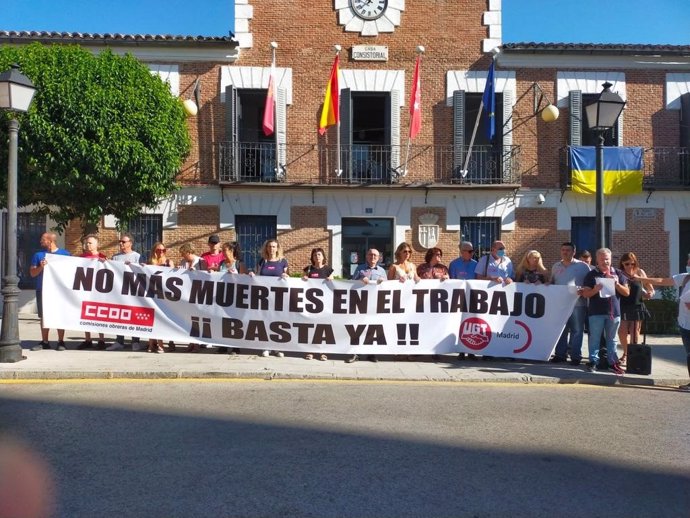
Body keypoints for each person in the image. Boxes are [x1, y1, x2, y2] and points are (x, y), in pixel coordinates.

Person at [635, 253, 690, 390]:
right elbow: (662, 281)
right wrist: (641, 278)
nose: (688, 263)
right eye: (688, 260)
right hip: (684, 324)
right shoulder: (685, 278)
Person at [580, 248, 630, 375]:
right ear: (597, 260)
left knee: (612, 339)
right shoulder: (591, 275)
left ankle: (612, 363)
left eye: (607, 259)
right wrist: (595, 289)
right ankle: (593, 362)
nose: (605, 261)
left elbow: (627, 293)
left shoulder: (618, 273)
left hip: (614, 313)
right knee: (594, 338)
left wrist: (617, 284)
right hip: (596, 312)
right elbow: (585, 294)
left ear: (611, 259)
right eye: (602, 259)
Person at [550, 242, 591, 365]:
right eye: (563, 250)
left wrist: (584, 289)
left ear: (574, 252)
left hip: (578, 304)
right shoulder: (555, 266)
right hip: (560, 305)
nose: (565, 252)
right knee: (561, 329)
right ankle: (560, 355)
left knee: (577, 330)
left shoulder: (583, 266)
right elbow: (552, 282)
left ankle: (575, 356)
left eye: (568, 250)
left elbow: (589, 283)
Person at [29, 232, 71, 351]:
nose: (40, 241)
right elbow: (32, 273)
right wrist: (41, 267)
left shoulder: (65, 254)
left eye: (43, 239)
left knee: (59, 315)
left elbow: (71, 272)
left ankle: (61, 341)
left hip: (59, 291)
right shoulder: (38, 255)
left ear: (50, 241)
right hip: (42, 290)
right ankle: (45, 342)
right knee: (44, 317)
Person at [348, 248, 387, 363]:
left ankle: (372, 354)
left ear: (379, 257)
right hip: (360, 303)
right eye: (370, 255)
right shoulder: (359, 268)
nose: (373, 257)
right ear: (366, 256)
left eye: (375, 255)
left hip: (375, 305)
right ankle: (355, 353)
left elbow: (388, 286)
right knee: (358, 328)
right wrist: (360, 278)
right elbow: (351, 281)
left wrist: (383, 280)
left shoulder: (382, 271)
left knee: (372, 328)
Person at [252, 239, 288, 358]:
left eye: (274, 247)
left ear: (277, 248)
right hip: (264, 298)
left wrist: (285, 276)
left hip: (278, 297)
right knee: (265, 321)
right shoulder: (262, 261)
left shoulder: (283, 262)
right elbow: (257, 275)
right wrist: (252, 275)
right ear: (266, 248)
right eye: (269, 247)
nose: (272, 249)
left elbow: (288, 277)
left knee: (278, 323)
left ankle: (278, 348)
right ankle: (265, 346)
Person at [617, 252, 654, 365]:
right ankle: (626, 353)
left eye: (632, 264)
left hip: (637, 305)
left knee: (635, 333)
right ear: (622, 263)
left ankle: (632, 356)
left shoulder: (640, 272)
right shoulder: (619, 273)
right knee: (622, 332)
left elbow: (650, 287)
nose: (629, 266)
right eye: (627, 264)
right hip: (623, 305)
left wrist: (650, 293)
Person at [108, 232, 142, 351]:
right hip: (119, 291)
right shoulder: (115, 257)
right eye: (120, 242)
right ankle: (119, 341)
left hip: (133, 291)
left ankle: (135, 341)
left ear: (130, 243)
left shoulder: (137, 256)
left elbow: (142, 271)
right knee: (119, 316)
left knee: (133, 316)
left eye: (124, 242)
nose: (121, 244)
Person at [302, 247, 334, 361]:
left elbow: (333, 284)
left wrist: (331, 279)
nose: (317, 257)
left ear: (323, 256)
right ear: (312, 257)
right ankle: (310, 351)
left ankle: (322, 351)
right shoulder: (309, 269)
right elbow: (303, 283)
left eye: (319, 255)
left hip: (324, 304)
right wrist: (304, 279)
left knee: (322, 328)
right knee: (310, 327)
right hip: (311, 304)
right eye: (315, 255)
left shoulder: (328, 270)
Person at [78, 234, 108, 350]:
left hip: (99, 291)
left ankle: (101, 339)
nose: (87, 245)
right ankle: (88, 339)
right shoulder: (81, 258)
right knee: (85, 314)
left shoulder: (103, 257)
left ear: (97, 244)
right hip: (85, 290)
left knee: (99, 314)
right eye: (86, 243)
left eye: (90, 243)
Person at [218, 241, 247, 355]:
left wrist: (235, 277)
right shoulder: (221, 264)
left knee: (235, 321)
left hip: (236, 297)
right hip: (223, 295)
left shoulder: (239, 264)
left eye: (224, 250)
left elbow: (244, 280)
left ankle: (235, 346)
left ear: (231, 251)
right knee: (222, 320)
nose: (223, 253)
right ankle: (223, 345)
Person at [178, 243, 209, 352]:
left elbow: (206, 276)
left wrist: (196, 273)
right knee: (189, 319)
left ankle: (196, 343)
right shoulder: (183, 262)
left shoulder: (201, 261)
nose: (182, 256)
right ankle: (191, 342)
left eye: (183, 253)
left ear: (189, 252)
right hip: (187, 294)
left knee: (197, 319)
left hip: (198, 293)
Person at [147, 241, 175, 353]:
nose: (161, 252)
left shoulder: (169, 262)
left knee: (164, 319)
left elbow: (173, 275)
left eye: (164, 250)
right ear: (154, 251)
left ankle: (165, 344)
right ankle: (153, 344)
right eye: (158, 250)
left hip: (166, 295)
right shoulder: (150, 262)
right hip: (153, 294)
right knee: (153, 319)